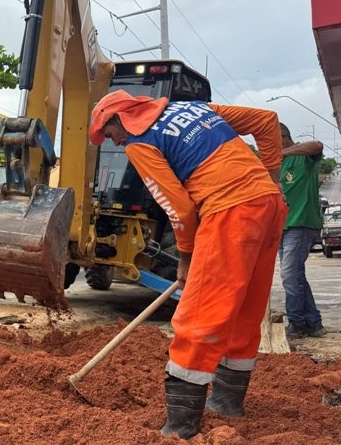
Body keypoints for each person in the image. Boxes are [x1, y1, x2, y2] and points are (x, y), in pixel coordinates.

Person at [88, 91, 287, 439]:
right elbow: (266, 120)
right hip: (268, 206)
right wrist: (271, 178)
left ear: (120, 118)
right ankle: (226, 402)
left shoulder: (140, 141)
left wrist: (185, 257)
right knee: (245, 307)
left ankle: (180, 426)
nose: (114, 141)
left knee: (199, 313)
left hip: (228, 211)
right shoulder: (193, 108)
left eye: (109, 133)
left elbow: (178, 208)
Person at [279, 123, 326, 339]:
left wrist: (282, 152)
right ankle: (314, 323)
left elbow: (317, 146)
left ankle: (297, 323)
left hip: (301, 223)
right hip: (282, 226)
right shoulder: (276, 164)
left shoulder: (302, 157)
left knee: (289, 275)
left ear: (284, 137)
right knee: (295, 275)